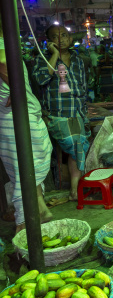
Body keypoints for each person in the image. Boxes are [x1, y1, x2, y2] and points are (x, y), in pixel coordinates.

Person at [0, 23, 53, 233]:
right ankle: (26, 227)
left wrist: (15, 88)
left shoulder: (5, 41)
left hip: (17, 115)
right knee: (24, 170)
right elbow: (3, 62)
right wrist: (15, 88)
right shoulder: (3, 42)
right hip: (15, 116)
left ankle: (36, 214)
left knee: (25, 169)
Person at [33, 25, 90, 201]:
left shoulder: (79, 60)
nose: (61, 39)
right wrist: (55, 55)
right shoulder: (42, 59)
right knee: (73, 144)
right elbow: (41, 79)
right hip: (58, 113)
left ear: (70, 38)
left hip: (77, 111)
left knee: (78, 148)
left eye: (64, 35)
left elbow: (83, 87)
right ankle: (68, 189)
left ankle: (74, 190)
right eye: (56, 37)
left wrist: (85, 111)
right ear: (49, 41)